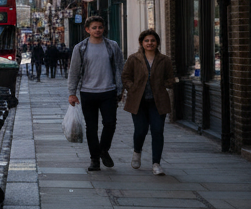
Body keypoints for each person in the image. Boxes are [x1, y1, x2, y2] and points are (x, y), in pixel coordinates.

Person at [67, 15, 124, 171]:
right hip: (88, 93)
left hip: (109, 92)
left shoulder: (113, 46)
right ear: (87, 30)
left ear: (103, 28)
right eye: (94, 27)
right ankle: (94, 159)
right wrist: (72, 93)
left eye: (100, 27)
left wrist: (121, 89)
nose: (97, 30)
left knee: (110, 124)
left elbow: (120, 68)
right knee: (91, 128)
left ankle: (103, 150)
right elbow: (74, 72)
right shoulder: (81, 48)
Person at [122, 29, 176, 176]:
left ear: (157, 42)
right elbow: (125, 76)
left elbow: (171, 78)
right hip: (138, 101)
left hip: (158, 101)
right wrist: (132, 87)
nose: (150, 43)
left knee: (158, 131)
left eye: (152, 40)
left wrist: (167, 83)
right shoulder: (134, 59)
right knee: (141, 130)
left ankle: (156, 163)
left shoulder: (164, 60)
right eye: (147, 41)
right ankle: (137, 152)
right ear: (141, 43)